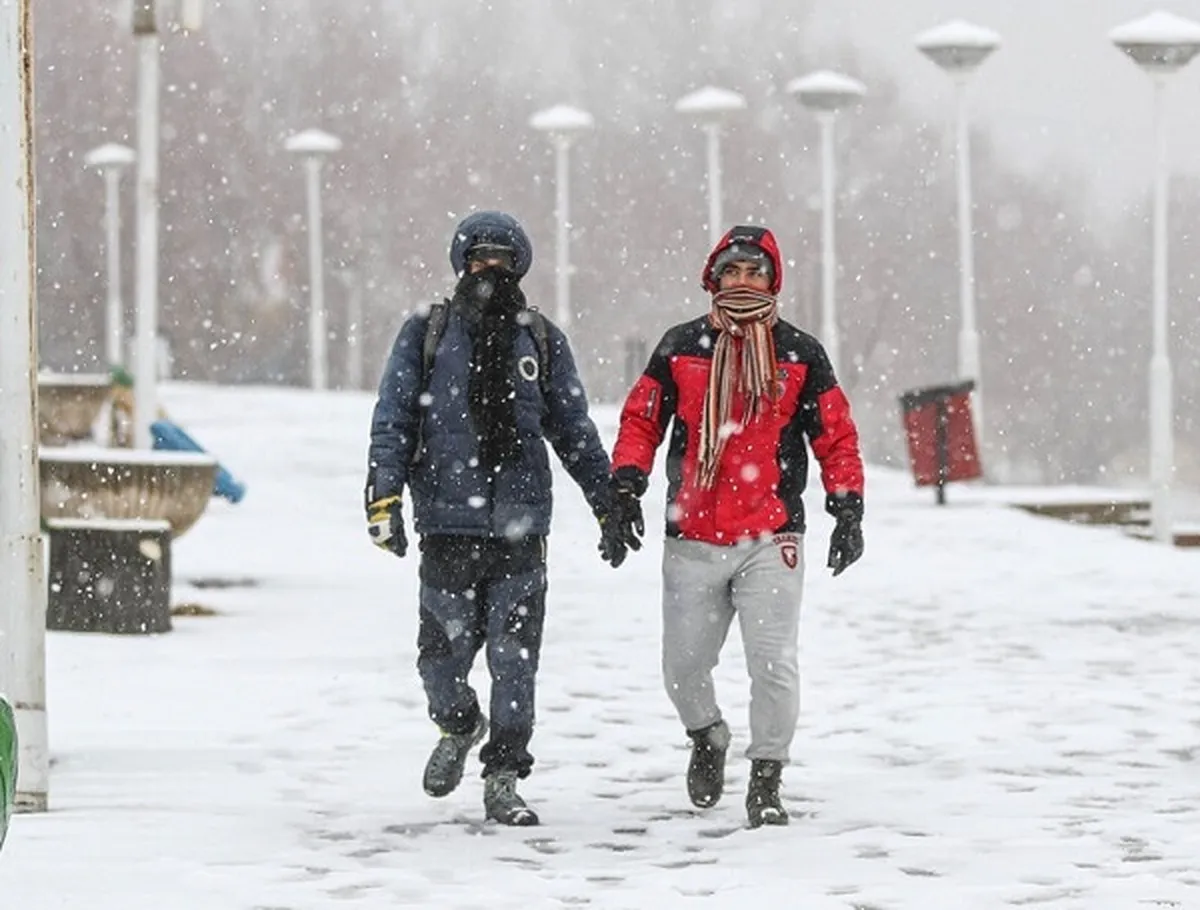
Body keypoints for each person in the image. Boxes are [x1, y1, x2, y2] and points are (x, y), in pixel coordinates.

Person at [599, 225, 865, 828]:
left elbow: (835, 433)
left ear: (774, 280)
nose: (743, 281)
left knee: (772, 663)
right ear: (712, 278)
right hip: (691, 535)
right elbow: (641, 421)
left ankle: (767, 778)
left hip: (771, 535)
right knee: (683, 669)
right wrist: (625, 486)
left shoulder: (800, 353)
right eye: (732, 271)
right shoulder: (680, 346)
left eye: (755, 271)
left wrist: (847, 504)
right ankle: (707, 734)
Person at [365, 211, 613, 827]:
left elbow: (573, 429)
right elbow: (393, 418)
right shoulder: (427, 332)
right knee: (439, 659)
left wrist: (608, 500)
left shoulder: (543, 340)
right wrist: (383, 497)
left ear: (520, 265)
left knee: (515, 660)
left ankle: (504, 774)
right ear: (462, 262)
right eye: (480, 257)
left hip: (521, 527)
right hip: (447, 523)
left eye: (503, 258)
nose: (491, 269)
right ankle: (458, 722)